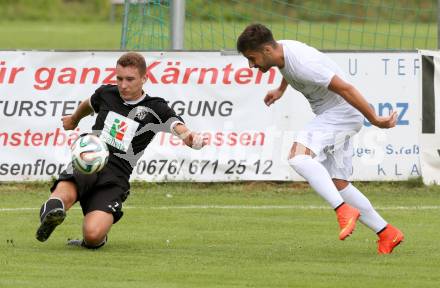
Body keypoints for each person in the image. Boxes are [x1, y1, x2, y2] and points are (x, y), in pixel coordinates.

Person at [236, 23, 403, 254]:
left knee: (298, 157)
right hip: (337, 115)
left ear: (266, 50)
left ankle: (343, 210)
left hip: (341, 114)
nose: (251, 65)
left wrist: (374, 119)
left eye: (252, 58)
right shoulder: (281, 51)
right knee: (338, 183)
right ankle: (387, 233)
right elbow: (287, 70)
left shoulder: (305, 65)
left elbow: (346, 88)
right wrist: (281, 89)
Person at [36, 52, 206, 249]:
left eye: (130, 79)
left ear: (144, 78)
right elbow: (88, 104)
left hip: (115, 176)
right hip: (88, 160)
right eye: (119, 78)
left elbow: (178, 126)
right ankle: (52, 215)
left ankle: (96, 235)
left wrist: (190, 138)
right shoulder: (106, 94)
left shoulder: (155, 108)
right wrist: (74, 119)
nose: (123, 85)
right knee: (57, 204)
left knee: (92, 236)